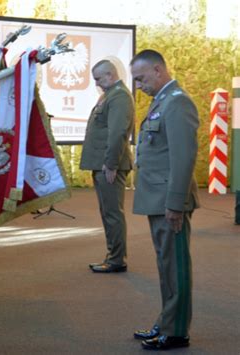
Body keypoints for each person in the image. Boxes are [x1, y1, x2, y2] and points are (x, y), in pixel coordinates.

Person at [130, 49, 199, 350]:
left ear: (158, 70)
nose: (138, 86)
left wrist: (175, 203)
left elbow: (184, 158)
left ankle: (176, 331)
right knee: (165, 264)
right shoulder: (162, 102)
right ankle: (167, 321)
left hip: (170, 201)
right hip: (157, 198)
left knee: (175, 266)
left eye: (141, 78)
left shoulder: (178, 102)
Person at [79, 60, 134, 273]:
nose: (97, 83)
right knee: (108, 212)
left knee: (112, 213)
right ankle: (113, 256)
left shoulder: (119, 96)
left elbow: (118, 133)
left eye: (99, 79)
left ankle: (116, 259)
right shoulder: (111, 95)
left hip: (110, 166)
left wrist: (110, 164)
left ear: (110, 75)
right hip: (104, 165)